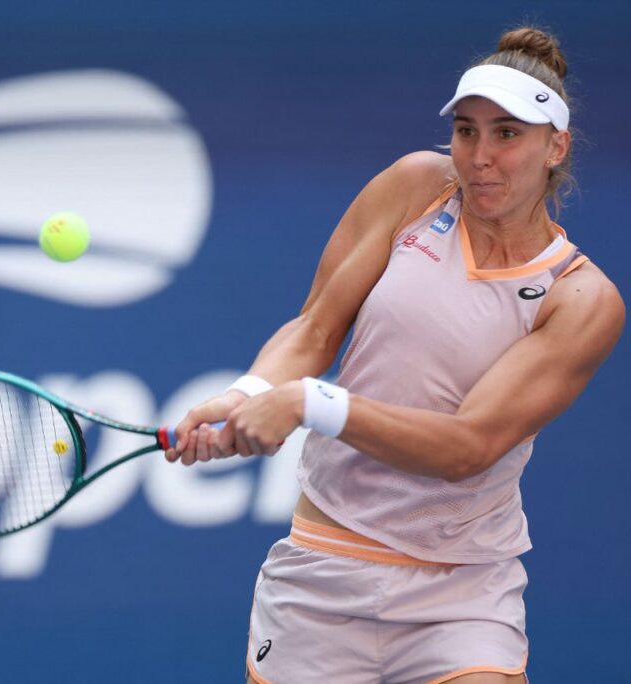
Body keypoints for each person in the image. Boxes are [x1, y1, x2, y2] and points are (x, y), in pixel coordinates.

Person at [165, 27, 624, 684]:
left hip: (461, 591)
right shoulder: (416, 187)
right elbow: (316, 328)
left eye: (507, 134)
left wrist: (306, 402)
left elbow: (467, 447)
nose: (479, 157)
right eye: (466, 131)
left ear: (556, 146)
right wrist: (246, 393)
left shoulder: (580, 298)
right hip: (323, 573)